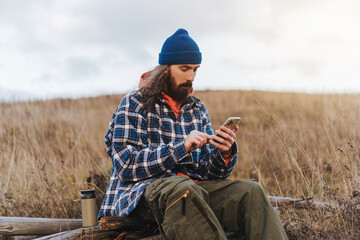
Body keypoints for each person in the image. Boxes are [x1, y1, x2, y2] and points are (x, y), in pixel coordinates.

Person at [98, 28, 288, 240]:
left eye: (195, 70)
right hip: (139, 199)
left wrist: (223, 154)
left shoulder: (197, 109)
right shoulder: (134, 103)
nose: (191, 77)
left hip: (192, 196)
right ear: (166, 69)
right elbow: (126, 165)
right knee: (183, 189)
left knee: (251, 192)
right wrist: (182, 147)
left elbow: (209, 175)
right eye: (184, 69)